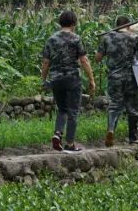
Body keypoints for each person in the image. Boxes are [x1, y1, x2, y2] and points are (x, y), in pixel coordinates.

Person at [96, 16, 138, 146]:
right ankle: (133, 137)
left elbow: (98, 58)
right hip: (132, 78)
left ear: (116, 24)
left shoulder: (106, 38)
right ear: (128, 25)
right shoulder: (134, 38)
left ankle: (111, 129)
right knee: (133, 107)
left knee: (114, 105)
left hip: (114, 77)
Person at [41, 10, 96, 152]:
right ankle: (70, 144)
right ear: (73, 23)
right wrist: (91, 79)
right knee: (73, 111)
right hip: (72, 79)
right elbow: (84, 60)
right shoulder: (76, 39)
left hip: (56, 79)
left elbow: (46, 62)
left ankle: (58, 133)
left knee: (62, 109)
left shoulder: (51, 39)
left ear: (60, 22)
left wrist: (44, 79)